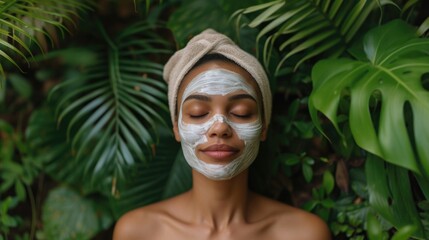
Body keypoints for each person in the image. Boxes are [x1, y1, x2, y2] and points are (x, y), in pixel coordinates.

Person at [113, 29, 331, 240]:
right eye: (198, 113)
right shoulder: (138, 233)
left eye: (241, 113)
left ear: (263, 127)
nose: (219, 128)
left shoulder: (304, 234)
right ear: (177, 128)